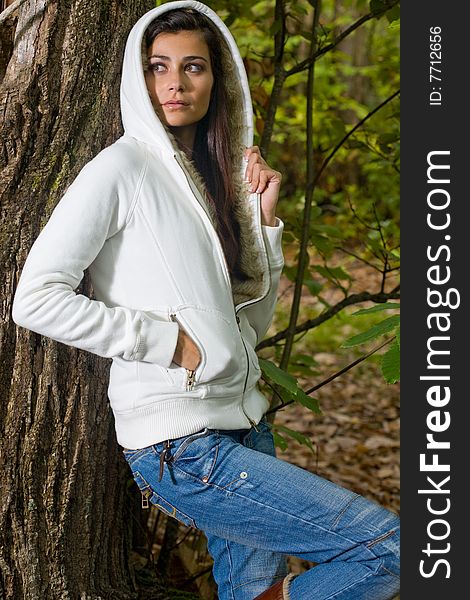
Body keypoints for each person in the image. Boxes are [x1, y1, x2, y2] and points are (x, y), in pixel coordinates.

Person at [12, 2, 400, 598]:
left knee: (255, 591)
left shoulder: (212, 179)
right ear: (137, 79)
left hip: (244, 426)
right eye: (157, 66)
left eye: (192, 66)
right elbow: (35, 298)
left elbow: (248, 328)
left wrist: (266, 230)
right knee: (389, 549)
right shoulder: (120, 169)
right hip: (183, 446)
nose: (174, 81)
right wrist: (169, 344)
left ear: (217, 79)